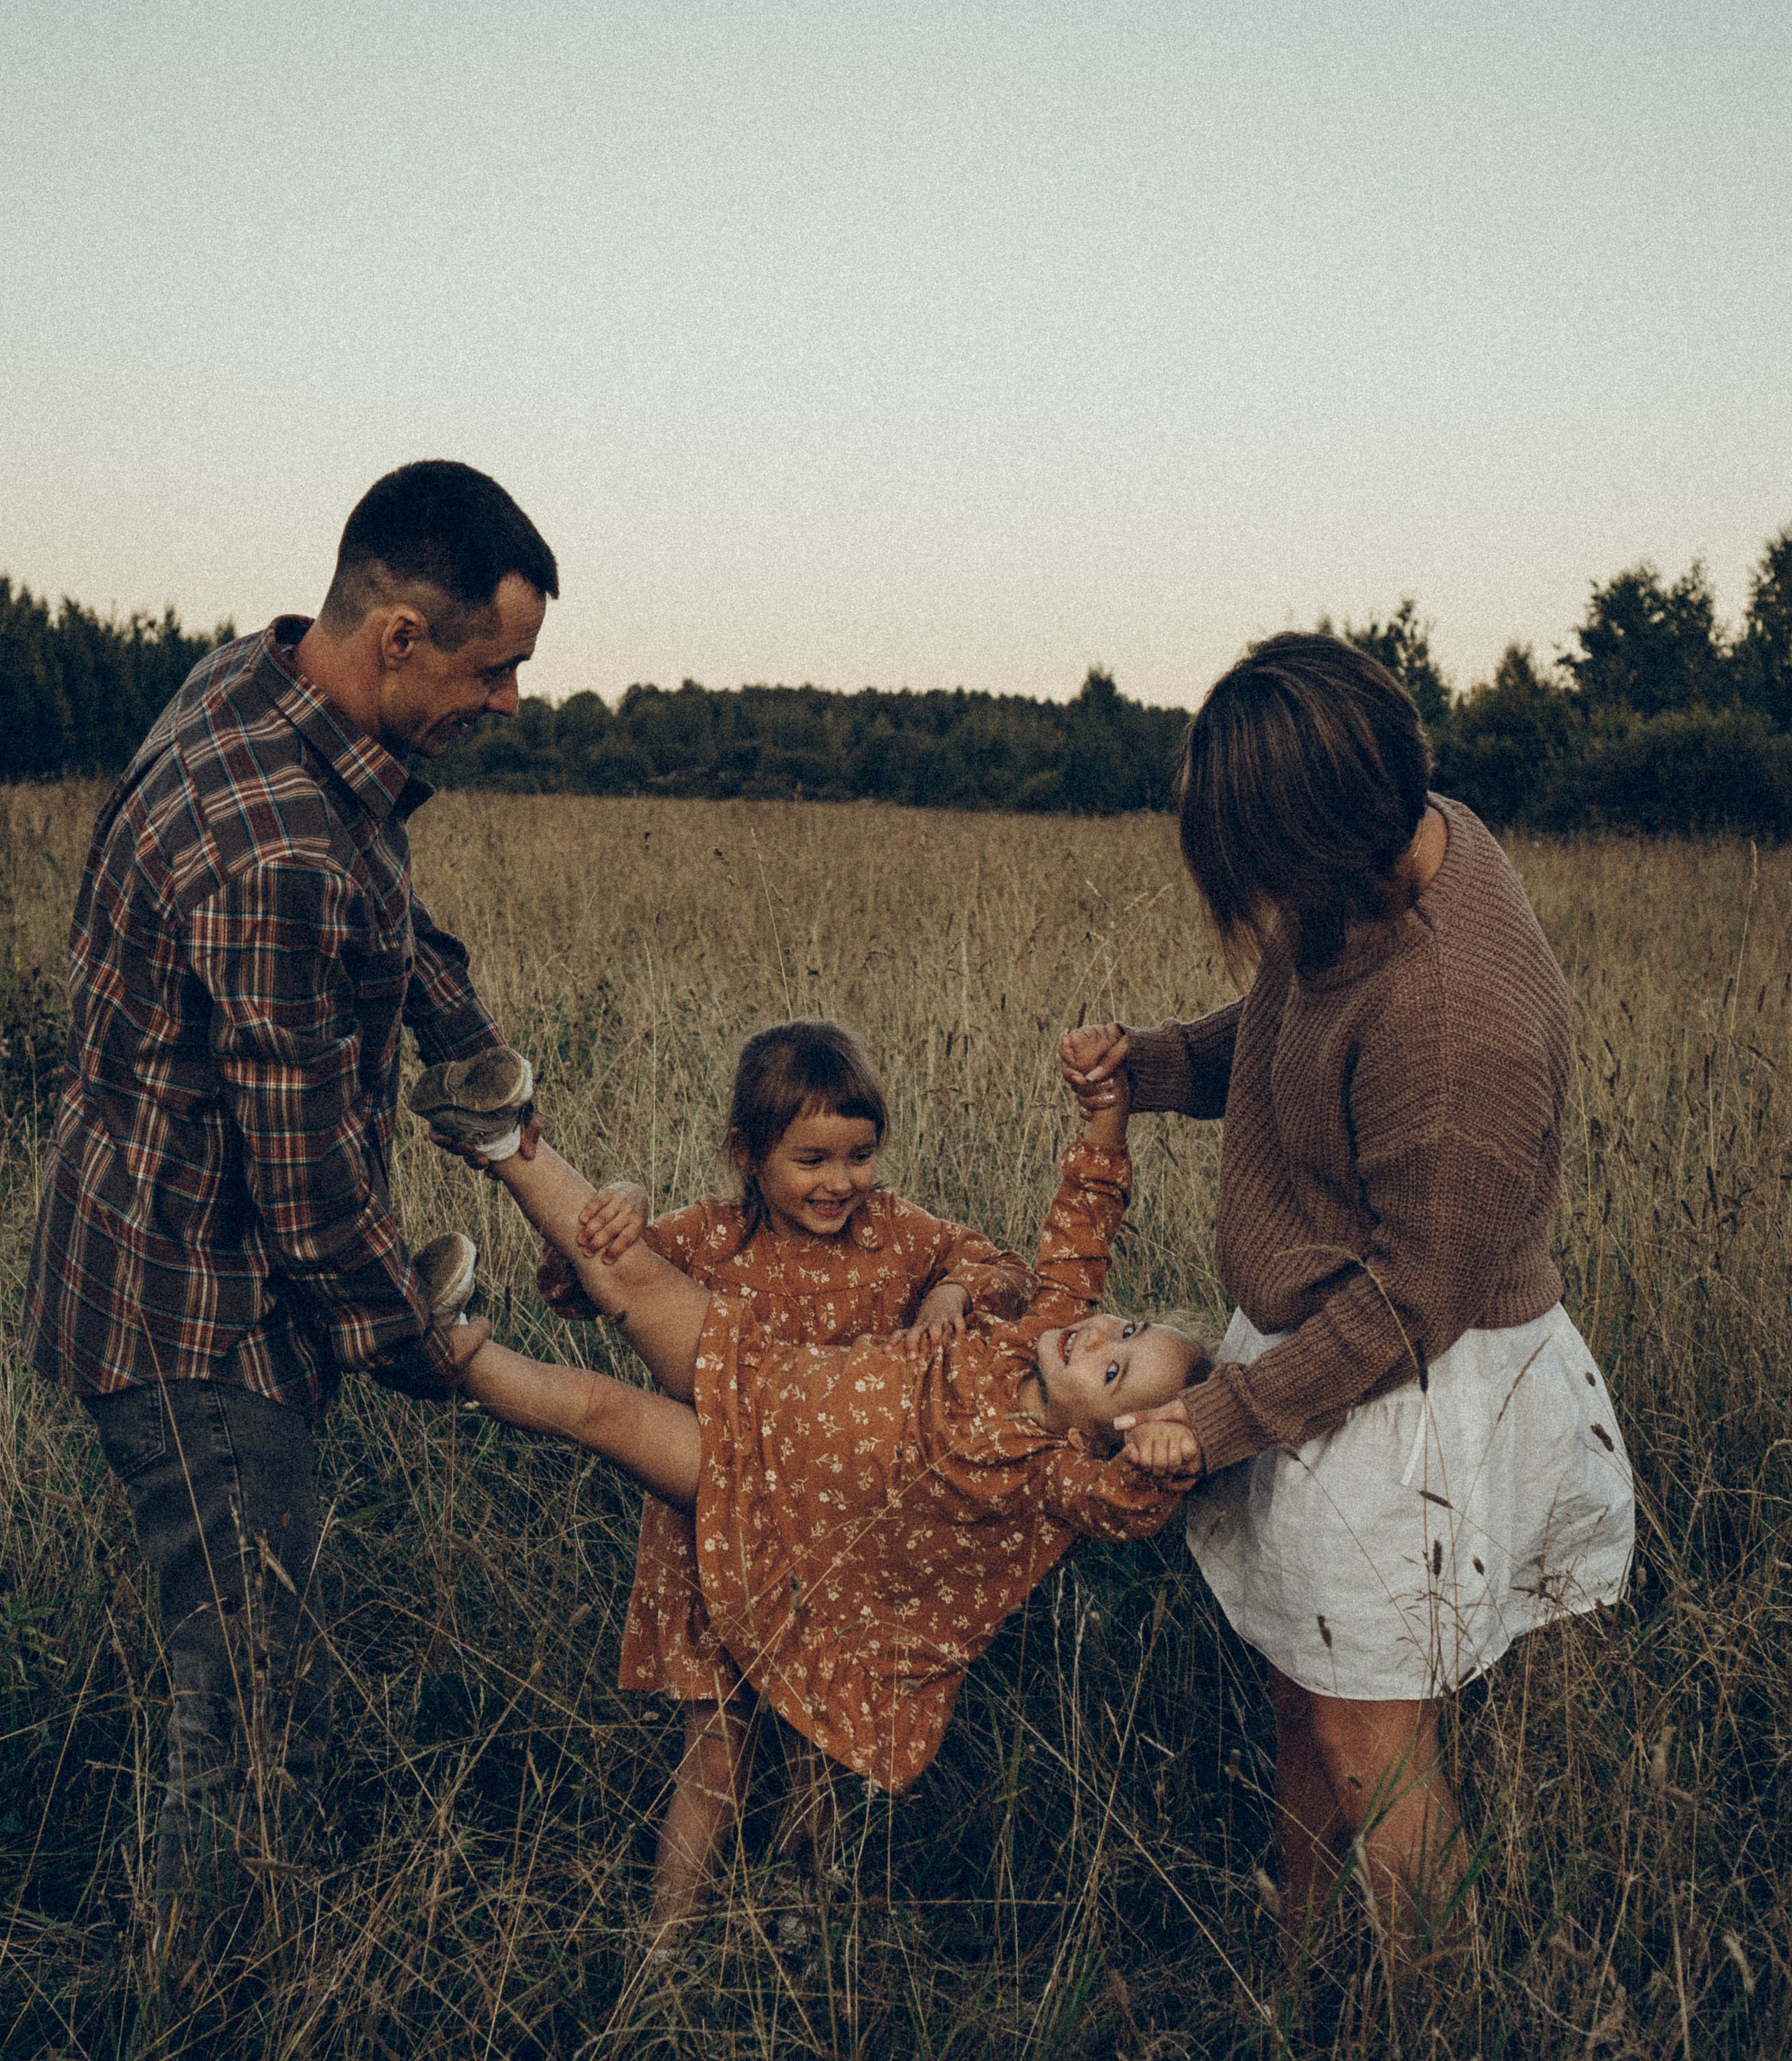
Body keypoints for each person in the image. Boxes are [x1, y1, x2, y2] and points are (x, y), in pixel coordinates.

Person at [22, 459, 555, 1910]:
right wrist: (428, 1347)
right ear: (398, 636)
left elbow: (385, 908)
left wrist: (466, 1047)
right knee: (249, 1707)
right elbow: (309, 1197)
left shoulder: (263, 687)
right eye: (492, 669)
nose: (510, 701)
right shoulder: (275, 853)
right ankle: (205, 1995)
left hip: (152, 1253)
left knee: (247, 1665)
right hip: (193, 1315)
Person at [1060, 629, 1634, 1951]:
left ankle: (1436, 2040)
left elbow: (1411, 1304)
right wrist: (1153, 1062)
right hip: (1327, 1350)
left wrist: (1222, 1416)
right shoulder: (1390, 847)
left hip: (1402, 1388)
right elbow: (1291, 1020)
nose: (1257, 903)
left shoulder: (1456, 1017)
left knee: (1372, 1741)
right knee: (1302, 1692)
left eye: (1263, 869)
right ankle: (1307, 1964)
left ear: (1324, 841)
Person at [413, 1061, 1207, 1940]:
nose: (1098, 1336)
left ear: (1105, 1438)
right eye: (1127, 1328)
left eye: (1113, 1371)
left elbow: (1123, 1510)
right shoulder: (1033, 1333)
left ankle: (793, 1917)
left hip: (786, 1528)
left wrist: (1162, 1462)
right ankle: (503, 1147)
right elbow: (1081, 1226)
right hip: (760, 1380)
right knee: (628, 1297)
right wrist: (1106, 1116)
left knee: (606, 1419)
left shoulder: (1053, 1473)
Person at [535, 1020, 1032, 1910]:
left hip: (837, 1539)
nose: (840, 1182)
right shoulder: (709, 1240)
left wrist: (952, 1294)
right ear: (746, 1154)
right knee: (716, 1746)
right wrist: (621, 1200)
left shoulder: (894, 1235)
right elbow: (581, 1284)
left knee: (819, 1739)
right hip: (711, 1521)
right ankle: (665, 1944)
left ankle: (808, 1919)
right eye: (811, 1160)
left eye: (859, 1156)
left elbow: (999, 1265)